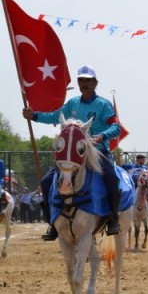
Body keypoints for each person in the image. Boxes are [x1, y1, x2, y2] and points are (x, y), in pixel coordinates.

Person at [23, 65, 122, 239]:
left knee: (111, 178)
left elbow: (116, 127)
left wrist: (101, 136)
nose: (83, 83)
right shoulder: (72, 103)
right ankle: (53, 223)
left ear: (95, 82)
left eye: (87, 80)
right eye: (81, 80)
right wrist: (34, 116)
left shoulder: (103, 104)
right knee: (46, 181)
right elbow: (54, 116)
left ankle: (113, 218)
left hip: (96, 151)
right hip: (71, 153)